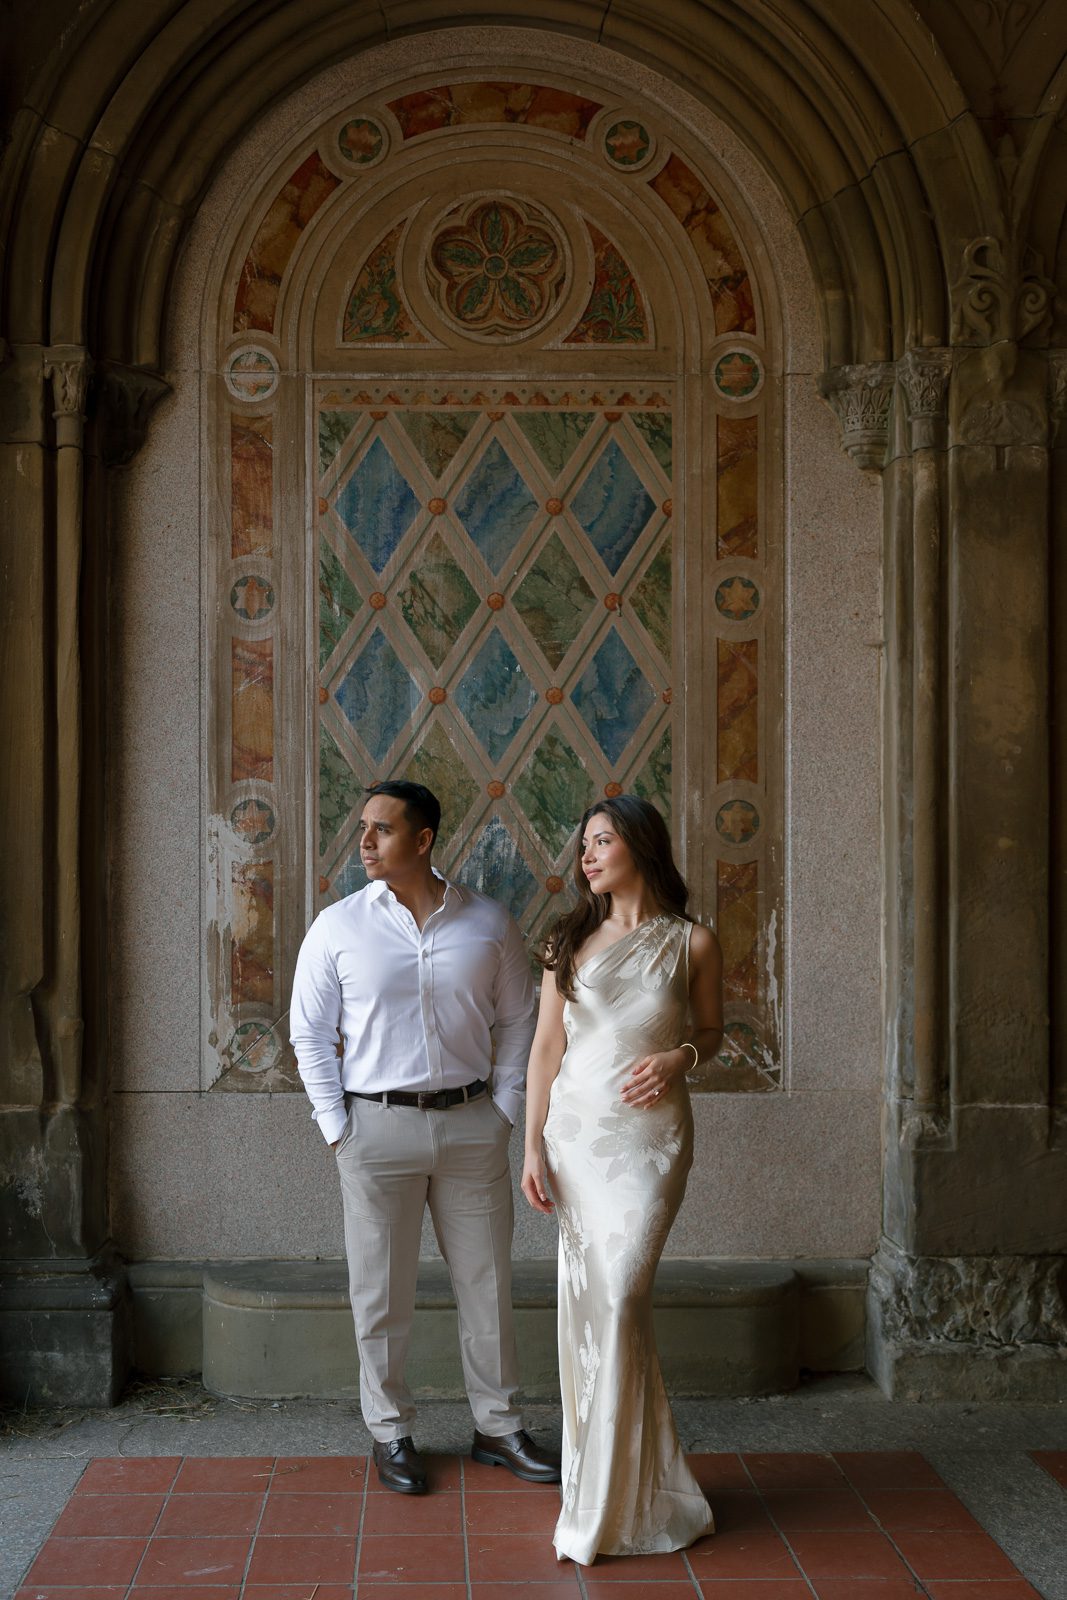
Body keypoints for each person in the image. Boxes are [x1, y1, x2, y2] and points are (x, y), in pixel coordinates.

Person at [290, 779, 560, 1494]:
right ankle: (391, 1432)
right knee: (378, 1291)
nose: (366, 841)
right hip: (373, 1127)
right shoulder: (338, 926)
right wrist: (336, 1128)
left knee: (488, 1282)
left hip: (472, 1124)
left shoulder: (488, 923)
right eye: (363, 828)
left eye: (381, 829)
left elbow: (517, 1024)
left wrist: (502, 1109)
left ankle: (498, 1426)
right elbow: (309, 1036)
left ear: (424, 839)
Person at [521, 795, 723, 1564]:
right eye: (583, 846)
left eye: (602, 841)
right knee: (596, 1306)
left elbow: (711, 1031)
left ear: (640, 845)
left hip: (649, 1144)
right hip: (575, 1138)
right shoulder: (567, 939)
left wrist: (680, 1059)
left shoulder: (691, 942)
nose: (587, 856)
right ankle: (608, 1492)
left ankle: (624, 1493)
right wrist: (533, 1149)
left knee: (622, 1294)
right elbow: (544, 1049)